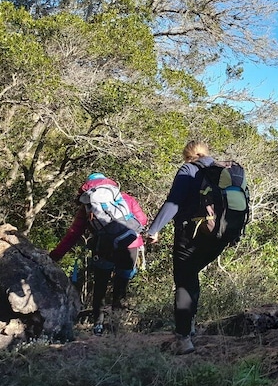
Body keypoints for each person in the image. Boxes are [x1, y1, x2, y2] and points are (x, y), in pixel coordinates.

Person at [145, 140, 229, 355]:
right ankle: (190, 327)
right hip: (220, 236)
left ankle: (183, 338)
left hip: (190, 234)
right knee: (191, 276)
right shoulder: (220, 169)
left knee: (184, 280)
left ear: (187, 154)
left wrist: (154, 229)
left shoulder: (188, 169)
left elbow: (173, 203)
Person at [50, 173, 147, 336]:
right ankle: (117, 326)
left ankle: (98, 325)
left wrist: (55, 256)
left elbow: (73, 234)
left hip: (104, 247)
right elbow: (142, 220)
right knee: (121, 286)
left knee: (100, 286)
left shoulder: (88, 206)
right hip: (130, 246)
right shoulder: (125, 198)